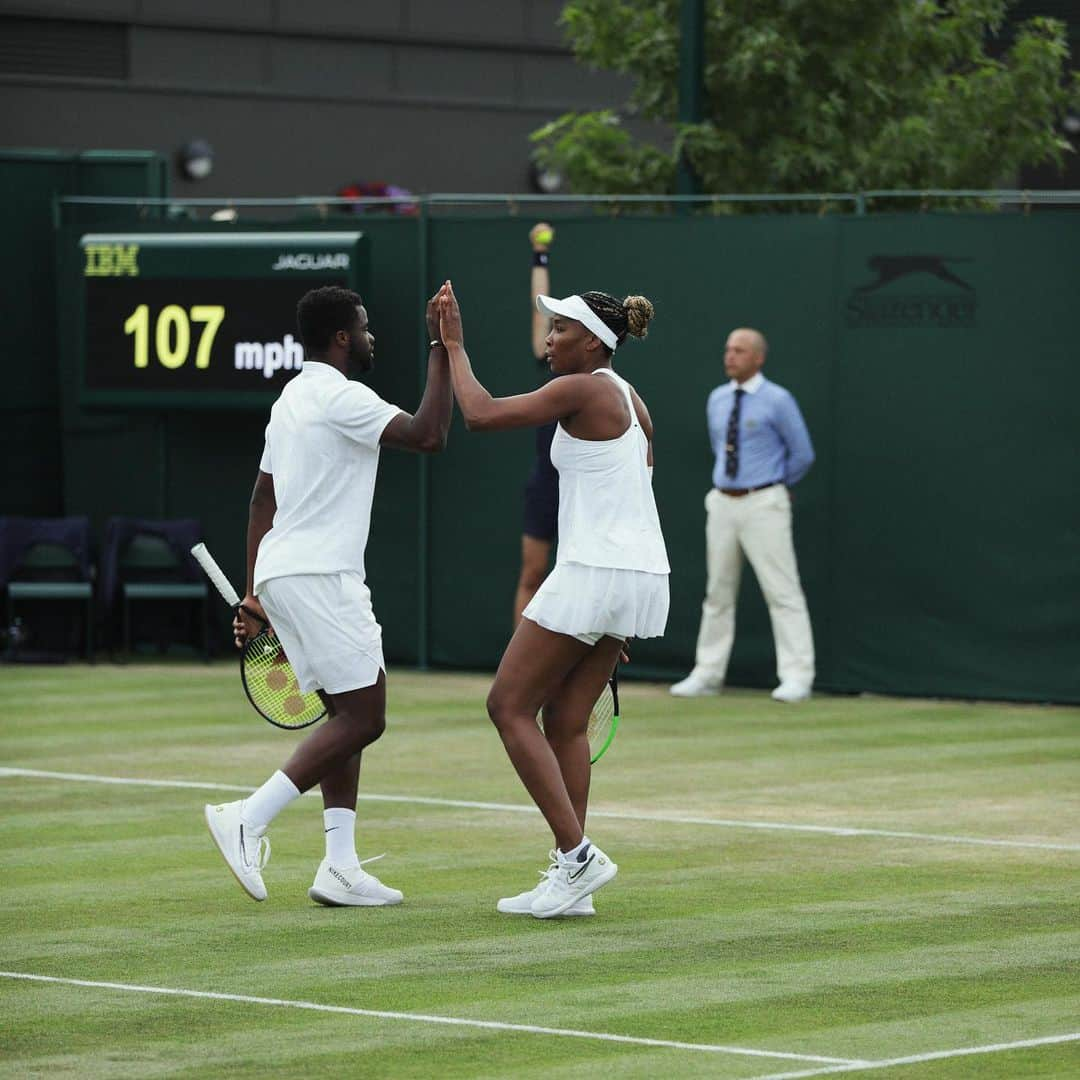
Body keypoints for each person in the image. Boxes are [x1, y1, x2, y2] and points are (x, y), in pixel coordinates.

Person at [204, 285, 452, 905]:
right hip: (320, 577)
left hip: (288, 573)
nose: (371, 336)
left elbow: (263, 499)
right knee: (367, 716)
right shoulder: (344, 398)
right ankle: (248, 817)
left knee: (349, 714)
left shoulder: (290, 398)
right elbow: (429, 435)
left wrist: (255, 594)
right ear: (342, 337)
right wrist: (443, 348)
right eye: (365, 327)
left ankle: (339, 866)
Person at [436, 279, 669, 919]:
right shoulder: (632, 398)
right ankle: (574, 882)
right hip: (635, 572)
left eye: (560, 330)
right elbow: (637, 491)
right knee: (563, 722)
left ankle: (578, 855)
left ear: (593, 342)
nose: (550, 340)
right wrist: (613, 613)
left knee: (507, 705)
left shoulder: (584, 386)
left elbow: (480, 415)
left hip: (596, 569)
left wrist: (453, 346)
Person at [670, 327, 815, 703]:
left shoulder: (778, 400)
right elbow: (720, 447)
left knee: (782, 591)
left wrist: (770, 486)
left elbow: (802, 453)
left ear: (758, 358)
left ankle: (797, 676)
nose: (729, 356)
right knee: (717, 592)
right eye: (727, 349)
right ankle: (707, 674)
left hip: (764, 502)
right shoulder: (717, 399)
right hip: (722, 502)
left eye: (739, 350)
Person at [514, 221, 560, 626]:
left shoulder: (596, 384)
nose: (551, 337)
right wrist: (539, 256)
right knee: (533, 574)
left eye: (561, 329)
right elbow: (539, 304)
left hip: (586, 490)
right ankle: (519, 673)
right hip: (545, 484)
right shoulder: (548, 361)